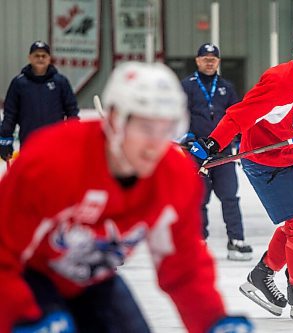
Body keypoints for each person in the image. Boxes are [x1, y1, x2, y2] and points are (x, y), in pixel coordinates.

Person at [0, 62, 252, 333]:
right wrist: (22, 315)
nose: (155, 145)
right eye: (145, 128)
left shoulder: (174, 175)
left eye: (165, 128)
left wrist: (212, 320)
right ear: (115, 121)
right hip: (27, 280)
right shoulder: (51, 161)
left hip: (93, 282)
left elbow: (183, 265)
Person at [190, 28, 293, 322]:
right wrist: (211, 146)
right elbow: (238, 116)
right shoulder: (278, 82)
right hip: (264, 159)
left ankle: (262, 276)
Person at [181, 43, 252, 261]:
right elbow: (178, 115)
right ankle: (197, 241)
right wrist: (188, 138)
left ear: (218, 62)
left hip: (223, 154)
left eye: (213, 59)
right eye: (205, 58)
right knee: (198, 200)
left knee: (230, 196)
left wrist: (240, 139)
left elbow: (237, 116)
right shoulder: (186, 86)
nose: (209, 62)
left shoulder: (226, 87)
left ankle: (236, 240)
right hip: (195, 154)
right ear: (197, 60)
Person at [0, 41, 79, 162]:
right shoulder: (19, 83)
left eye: (44, 56)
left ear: (49, 58)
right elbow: (10, 115)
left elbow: (72, 111)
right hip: (29, 144)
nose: (40, 59)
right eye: (37, 55)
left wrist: (74, 137)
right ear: (29, 58)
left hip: (55, 144)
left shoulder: (60, 82)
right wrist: (5, 140)